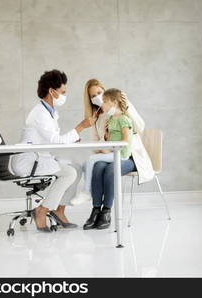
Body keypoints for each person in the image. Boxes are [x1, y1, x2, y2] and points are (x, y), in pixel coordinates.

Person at [11, 70, 96, 232]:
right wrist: (81, 126)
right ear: (52, 91)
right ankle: (42, 210)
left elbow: (53, 138)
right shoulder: (40, 113)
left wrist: (74, 136)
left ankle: (59, 210)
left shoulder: (50, 112)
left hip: (40, 158)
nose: (65, 95)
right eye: (63, 92)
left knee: (76, 168)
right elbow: (55, 140)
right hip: (29, 161)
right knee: (69, 173)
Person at [75, 79, 155, 230]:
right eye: (93, 96)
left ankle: (106, 211)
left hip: (129, 157)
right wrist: (104, 140)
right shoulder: (97, 117)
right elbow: (95, 144)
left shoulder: (123, 110)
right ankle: (96, 210)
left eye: (100, 93)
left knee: (111, 169)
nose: (97, 98)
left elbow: (140, 127)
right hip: (109, 154)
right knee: (98, 167)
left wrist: (127, 106)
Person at [73, 88, 133, 207]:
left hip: (121, 155)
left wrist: (109, 150)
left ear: (115, 102)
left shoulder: (123, 119)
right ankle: (90, 196)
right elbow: (109, 140)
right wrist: (105, 140)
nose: (102, 104)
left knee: (91, 160)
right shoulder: (110, 119)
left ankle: (86, 191)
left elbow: (126, 141)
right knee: (86, 164)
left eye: (104, 101)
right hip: (113, 152)